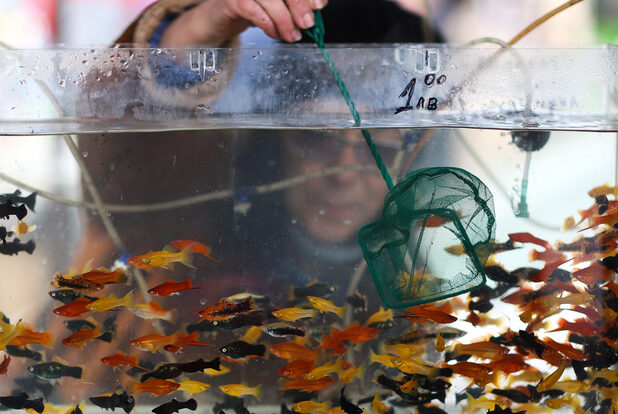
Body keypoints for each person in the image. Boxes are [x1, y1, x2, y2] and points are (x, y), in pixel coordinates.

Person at [7, 0, 444, 406]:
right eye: (317, 138)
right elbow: (127, 160)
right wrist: (192, 34)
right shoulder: (195, 211)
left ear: (414, 157)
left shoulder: (414, 286)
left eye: (379, 147)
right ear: (278, 135)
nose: (344, 173)